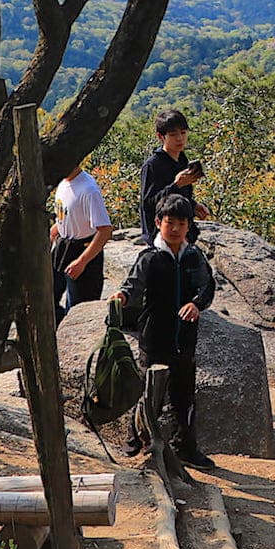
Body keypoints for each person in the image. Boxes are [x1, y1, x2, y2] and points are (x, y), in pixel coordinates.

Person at [114, 194, 217, 469]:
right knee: (149, 393)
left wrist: (196, 305)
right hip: (154, 337)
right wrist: (123, 296)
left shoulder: (194, 256)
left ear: (188, 226)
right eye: (170, 222)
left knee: (184, 396)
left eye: (181, 224)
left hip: (184, 338)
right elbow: (133, 285)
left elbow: (207, 287)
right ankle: (136, 441)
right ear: (158, 222)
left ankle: (185, 448)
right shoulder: (149, 257)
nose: (175, 229)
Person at [138, 108, 211, 247]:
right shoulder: (153, 165)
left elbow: (180, 197)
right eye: (173, 134)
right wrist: (176, 185)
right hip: (161, 237)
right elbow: (148, 205)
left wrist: (194, 206)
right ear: (161, 137)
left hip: (183, 233)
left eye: (183, 133)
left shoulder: (182, 159)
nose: (179, 138)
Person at [50, 163, 113, 322]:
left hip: (84, 251)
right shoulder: (63, 183)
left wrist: (82, 262)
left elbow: (105, 230)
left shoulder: (88, 189)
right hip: (63, 246)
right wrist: (56, 229)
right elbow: (67, 214)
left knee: (79, 310)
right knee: (48, 297)